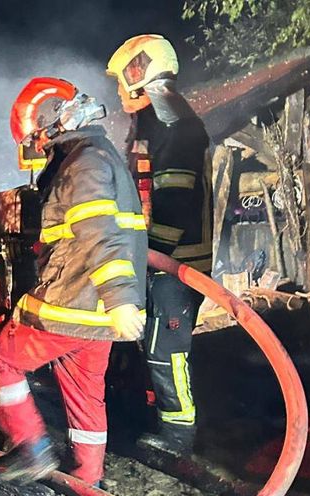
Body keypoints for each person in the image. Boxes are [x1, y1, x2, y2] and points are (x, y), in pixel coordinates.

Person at [0, 77, 148, 486]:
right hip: (97, 315)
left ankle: (31, 448)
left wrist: (119, 298)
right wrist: (117, 302)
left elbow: (98, 230)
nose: (38, 147)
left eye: (37, 137)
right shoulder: (100, 155)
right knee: (85, 395)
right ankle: (86, 481)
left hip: (74, 301)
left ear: (56, 123)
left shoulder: (84, 164)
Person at [106, 34, 213, 455]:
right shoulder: (158, 126)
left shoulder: (178, 129)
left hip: (177, 265)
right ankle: (147, 417)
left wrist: (148, 258)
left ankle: (178, 436)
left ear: (140, 75)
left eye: (122, 81)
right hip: (160, 260)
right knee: (148, 345)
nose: (119, 92)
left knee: (166, 350)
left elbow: (174, 204)